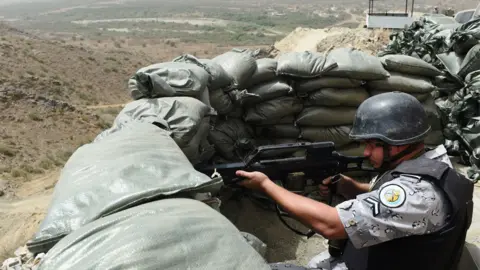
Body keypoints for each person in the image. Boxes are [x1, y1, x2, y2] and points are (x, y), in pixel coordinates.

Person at [236, 92, 474, 270]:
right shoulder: (435, 166)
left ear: (398, 143)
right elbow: (391, 199)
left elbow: (331, 225)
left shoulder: (417, 193)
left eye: (373, 144)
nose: (366, 153)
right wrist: (353, 188)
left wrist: (266, 185)